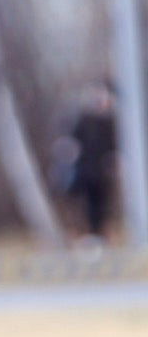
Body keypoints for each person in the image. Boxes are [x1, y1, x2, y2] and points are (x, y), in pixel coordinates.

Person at [59, 80, 118, 241]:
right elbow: (72, 142)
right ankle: (89, 235)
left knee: (102, 205)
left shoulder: (108, 121)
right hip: (86, 170)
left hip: (102, 171)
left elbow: (112, 145)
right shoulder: (83, 119)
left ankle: (99, 234)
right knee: (88, 204)